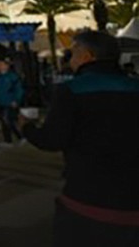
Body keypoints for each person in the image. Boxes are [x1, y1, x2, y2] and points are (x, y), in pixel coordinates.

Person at [20, 31, 139, 246]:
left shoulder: (71, 90)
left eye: (73, 51)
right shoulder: (134, 86)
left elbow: (52, 140)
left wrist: (26, 127)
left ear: (86, 55)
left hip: (87, 200)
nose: (70, 57)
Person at [0, 59, 25, 145]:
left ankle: (9, 140)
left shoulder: (13, 77)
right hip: (1, 102)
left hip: (10, 102)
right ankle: (19, 137)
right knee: (7, 121)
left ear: (7, 66)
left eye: (1, 64)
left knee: (6, 121)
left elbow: (19, 90)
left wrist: (16, 100)